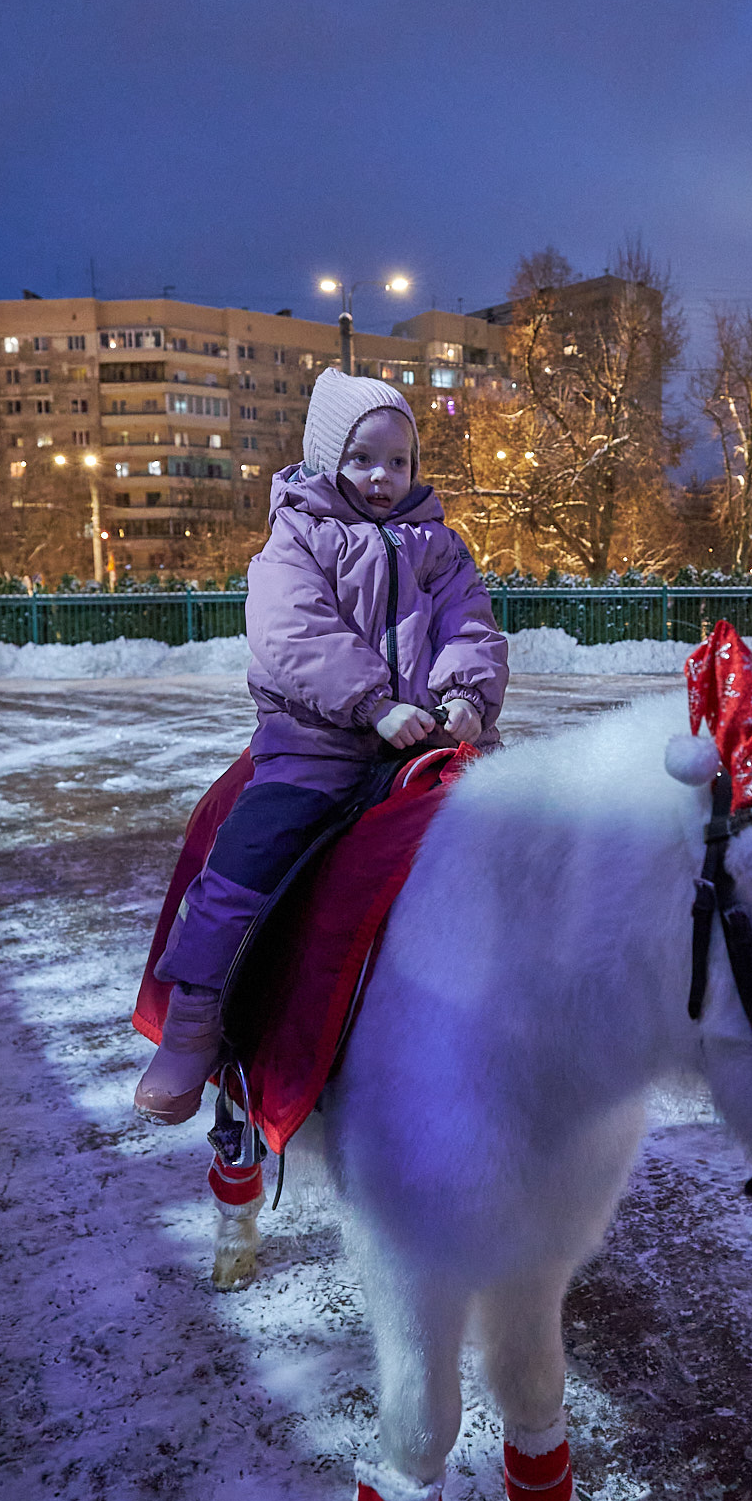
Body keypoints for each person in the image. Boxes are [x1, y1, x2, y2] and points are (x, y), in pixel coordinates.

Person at [134, 372, 508, 1124]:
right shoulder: (296, 538)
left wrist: (466, 697)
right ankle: (194, 1019)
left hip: (426, 739)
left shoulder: (438, 544)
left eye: (398, 461)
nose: (382, 477)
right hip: (317, 742)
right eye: (363, 459)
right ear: (325, 458)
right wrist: (373, 704)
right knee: (249, 854)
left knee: (524, 828)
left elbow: (468, 622)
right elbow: (293, 632)